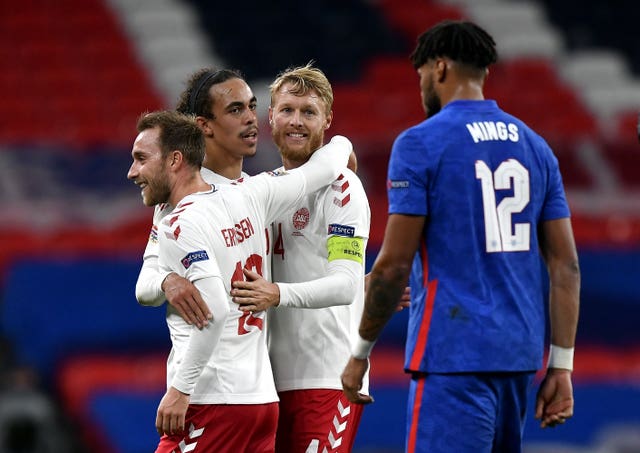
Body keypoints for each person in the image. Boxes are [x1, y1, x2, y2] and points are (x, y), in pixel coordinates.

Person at [341, 20, 581, 453]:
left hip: (451, 357)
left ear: (439, 68)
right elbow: (566, 266)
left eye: (420, 77)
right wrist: (560, 366)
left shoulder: (420, 143)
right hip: (518, 360)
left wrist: (360, 352)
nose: (420, 90)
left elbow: (394, 266)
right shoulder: (536, 147)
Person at [126, 110, 353, 452]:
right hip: (260, 403)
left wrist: (180, 390)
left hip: (212, 400)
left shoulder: (179, 224)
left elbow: (215, 308)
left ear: (175, 160)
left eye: (141, 159)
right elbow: (320, 171)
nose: (133, 172)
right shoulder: (249, 195)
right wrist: (341, 143)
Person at [230, 63, 371, 453]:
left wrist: (276, 293)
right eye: (287, 110)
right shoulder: (263, 190)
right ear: (270, 116)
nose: (296, 121)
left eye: (308, 112)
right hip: (266, 384)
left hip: (326, 378)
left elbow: (344, 284)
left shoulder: (343, 188)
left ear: (327, 119)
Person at [134, 68, 260, 327]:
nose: (250, 118)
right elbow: (145, 288)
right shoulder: (182, 196)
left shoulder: (258, 189)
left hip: (257, 359)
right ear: (204, 125)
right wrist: (166, 281)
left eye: (252, 106)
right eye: (236, 110)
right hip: (209, 358)